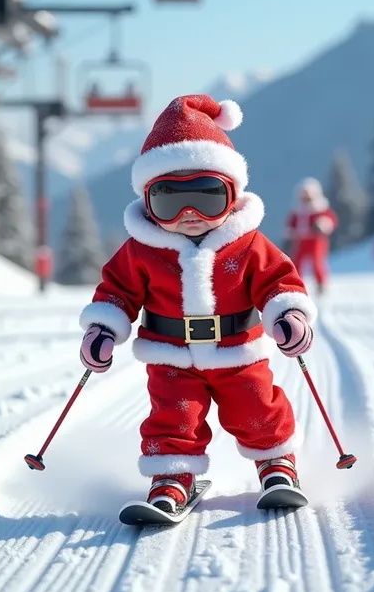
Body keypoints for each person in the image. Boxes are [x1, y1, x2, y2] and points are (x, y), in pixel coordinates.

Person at [78, 94, 317, 514]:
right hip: (171, 354)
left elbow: (278, 280)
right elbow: (117, 290)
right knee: (173, 417)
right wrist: (104, 327)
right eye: (169, 200)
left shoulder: (245, 244)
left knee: (256, 407)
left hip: (237, 349)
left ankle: (276, 462)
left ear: (233, 194)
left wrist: (288, 313)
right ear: (148, 204)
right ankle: (171, 475)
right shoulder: (142, 250)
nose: (189, 213)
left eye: (207, 197)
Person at [285, 177, 338, 295]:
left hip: (316, 240)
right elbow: (291, 223)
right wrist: (290, 232)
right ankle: (296, 283)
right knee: (297, 262)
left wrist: (322, 225)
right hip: (300, 240)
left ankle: (321, 284)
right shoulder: (298, 209)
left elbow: (330, 220)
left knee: (317, 262)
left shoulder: (320, 207)